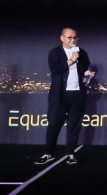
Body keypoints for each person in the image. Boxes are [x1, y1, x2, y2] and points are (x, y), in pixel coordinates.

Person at [38, 27, 95, 165]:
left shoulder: (82, 52)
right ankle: (48, 153)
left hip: (77, 94)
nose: (73, 40)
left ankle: (70, 153)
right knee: (54, 124)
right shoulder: (55, 53)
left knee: (73, 125)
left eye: (75, 37)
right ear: (62, 38)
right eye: (69, 37)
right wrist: (71, 60)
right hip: (59, 95)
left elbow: (86, 68)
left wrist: (88, 73)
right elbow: (55, 70)